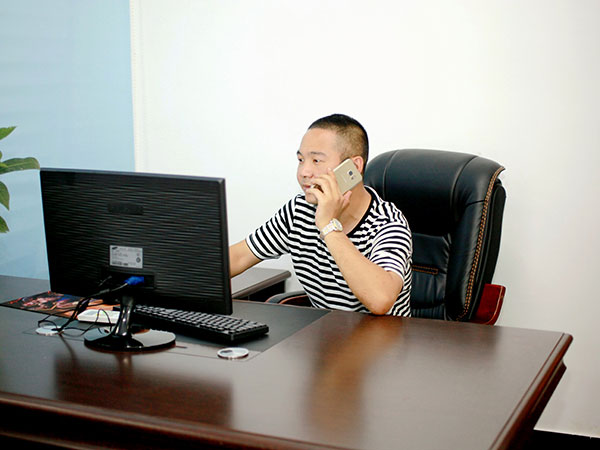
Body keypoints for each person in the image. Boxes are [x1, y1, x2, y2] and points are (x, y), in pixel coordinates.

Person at [229, 114, 412, 316]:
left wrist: (329, 226)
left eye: (316, 160)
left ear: (353, 167)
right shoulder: (299, 210)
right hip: (325, 332)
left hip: (383, 336)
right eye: (301, 160)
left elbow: (380, 300)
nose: (304, 172)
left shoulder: (387, 224)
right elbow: (238, 257)